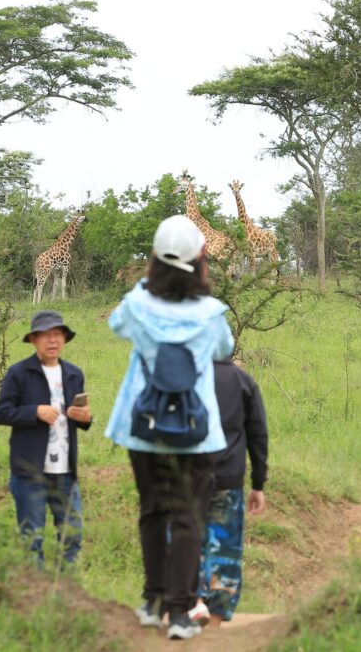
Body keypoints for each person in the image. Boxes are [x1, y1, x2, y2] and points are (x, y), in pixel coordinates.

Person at [105, 214, 234, 641]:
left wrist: (146, 284)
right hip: (196, 432)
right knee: (188, 519)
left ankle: (152, 602)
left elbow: (116, 323)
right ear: (201, 258)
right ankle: (179, 614)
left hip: (143, 427)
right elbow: (224, 349)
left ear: (155, 259)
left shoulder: (137, 305)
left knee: (152, 510)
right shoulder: (211, 313)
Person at [0, 310, 92, 568]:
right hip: (30, 471)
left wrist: (84, 417)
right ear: (33, 340)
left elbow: (80, 418)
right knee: (32, 539)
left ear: (64, 339)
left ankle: (65, 583)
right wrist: (34, 412)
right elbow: (1, 413)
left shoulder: (74, 374)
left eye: (57, 334)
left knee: (72, 534)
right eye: (46, 335)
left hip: (66, 472)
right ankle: (35, 587)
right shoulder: (18, 373)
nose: (52, 340)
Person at [190, 354, 268, 628]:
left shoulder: (186, 377)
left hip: (189, 479)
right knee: (225, 550)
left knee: (188, 542)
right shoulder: (243, 381)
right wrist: (258, 483)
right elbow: (258, 434)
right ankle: (215, 623)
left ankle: (194, 603)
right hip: (228, 479)